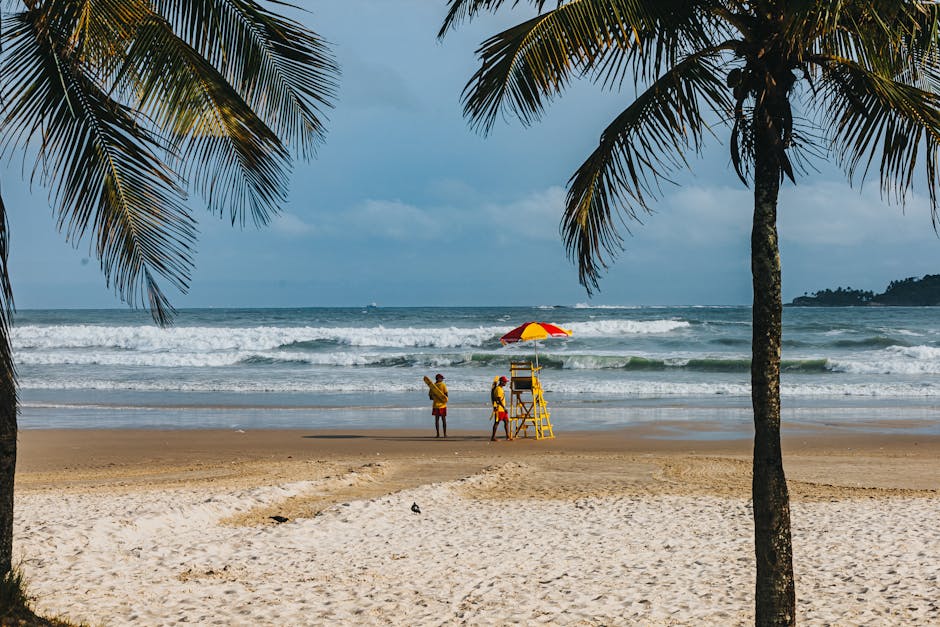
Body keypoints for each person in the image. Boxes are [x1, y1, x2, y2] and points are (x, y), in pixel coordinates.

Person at [490, 375, 512, 441]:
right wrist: (504, 407)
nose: (506, 383)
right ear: (501, 382)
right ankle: (493, 437)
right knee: (497, 422)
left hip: (502, 409)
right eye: (505, 382)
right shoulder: (498, 389)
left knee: (506, 421)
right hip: (499, 409)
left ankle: (507, 436)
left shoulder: (500, 388)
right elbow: (499, 399)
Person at [429, 373, 448, 438]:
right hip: (442, 405)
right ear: (439, 379)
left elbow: (430, 397)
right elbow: (446, 395)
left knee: (436, 420)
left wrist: (436, 397)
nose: (442, 380)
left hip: (435, 405)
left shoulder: (432, 386)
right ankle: (445, 434)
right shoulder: (443, 385)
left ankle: (438, 434)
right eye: (442, 378)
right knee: (443, 420)